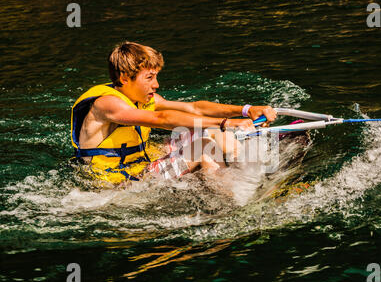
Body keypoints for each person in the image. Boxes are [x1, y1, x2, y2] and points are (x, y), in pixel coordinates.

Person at [70, 41, 277, 186]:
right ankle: (231, 199)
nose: (156, 85)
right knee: (205, 146)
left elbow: (195, 108)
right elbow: (161, 119)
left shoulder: (144, 99)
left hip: (139, 165)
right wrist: (227, 123)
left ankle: (249, 172)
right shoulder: (107, 105)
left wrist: (246, 110)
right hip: (118, 185)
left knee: (216, 133)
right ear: (124, 78)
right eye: (149, 78)